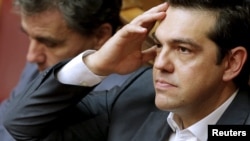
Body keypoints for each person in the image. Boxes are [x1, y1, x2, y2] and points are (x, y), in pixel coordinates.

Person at [3, 0, 250, 141]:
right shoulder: (138, 92)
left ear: (231, 63)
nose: (161, 63)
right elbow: (20, 128)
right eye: (159, 44)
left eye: (183, 49)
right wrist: (97, 64)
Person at [0, 0, 131, 140]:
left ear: (100, 35)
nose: (31, 56)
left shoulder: (125, 97)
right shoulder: (44, 63)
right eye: (29, 36)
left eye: (50, 43)